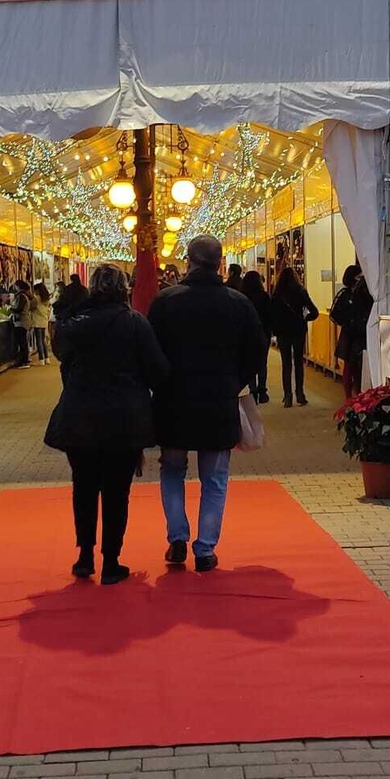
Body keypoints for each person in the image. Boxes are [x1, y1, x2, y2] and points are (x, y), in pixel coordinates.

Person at [44, 264, 170, 584]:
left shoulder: (74, 323)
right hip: (124, 419)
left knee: (83, 487)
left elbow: (63, 360)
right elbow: (158, 370)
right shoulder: (135, 324)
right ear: (123, 288)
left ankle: (85, 555)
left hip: (79, 417)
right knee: (116, 492)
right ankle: (111, 561)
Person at [148, 235, 266, 572]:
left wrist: (161, 382)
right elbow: (257, 350)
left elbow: (150, 351)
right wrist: (234, 381)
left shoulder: (165, 302)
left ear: (189, 261)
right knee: (214, 478)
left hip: (173, 402)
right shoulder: (238, 303)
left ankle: (177, 537)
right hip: (218, 402)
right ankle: (205, 549)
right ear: (219, 262)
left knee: (172, 469)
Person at [270, 267, 318, 407]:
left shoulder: (277, 293)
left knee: (286, 363)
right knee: (298, 362)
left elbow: (272, 314)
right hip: (298, 330)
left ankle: (287, 396)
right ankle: (300, 394)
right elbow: (314, 312)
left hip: (283, 331)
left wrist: (275, 330)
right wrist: (304, 318)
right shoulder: (301, 291)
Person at [331, 264, 375, 400]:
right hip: (355, 335)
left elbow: (334, 315)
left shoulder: (347, 294)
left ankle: (353, 398)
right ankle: (353, 398)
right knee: (353, 368)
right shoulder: (353, 294)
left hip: (351, 334)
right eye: (359, 276)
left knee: (352, 368)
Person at [240, 270, 273, 404]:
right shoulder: (264, 296)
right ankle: (262, 391)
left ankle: (253, 390)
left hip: (247, 334)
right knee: (262, 363)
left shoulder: (243, 297)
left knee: (250, 361)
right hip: (263, 333)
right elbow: (269, 315)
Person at [9, 279, 32, 368]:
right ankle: (24, 360)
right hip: (23, 321)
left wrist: (11, 309)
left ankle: (24, 361)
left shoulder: (21, 296)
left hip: (21, 322)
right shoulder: (24, 296)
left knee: (22, 342)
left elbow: (19, 308)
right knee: (23, 342)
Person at [30, 282, 52, 363]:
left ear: (38, 290)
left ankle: (41, 358)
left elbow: (31, 307)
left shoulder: (36, 299)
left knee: (38, 340)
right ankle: (47, 358)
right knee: (43, 340)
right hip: (44, 320)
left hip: (37, 321)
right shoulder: (46, 298)